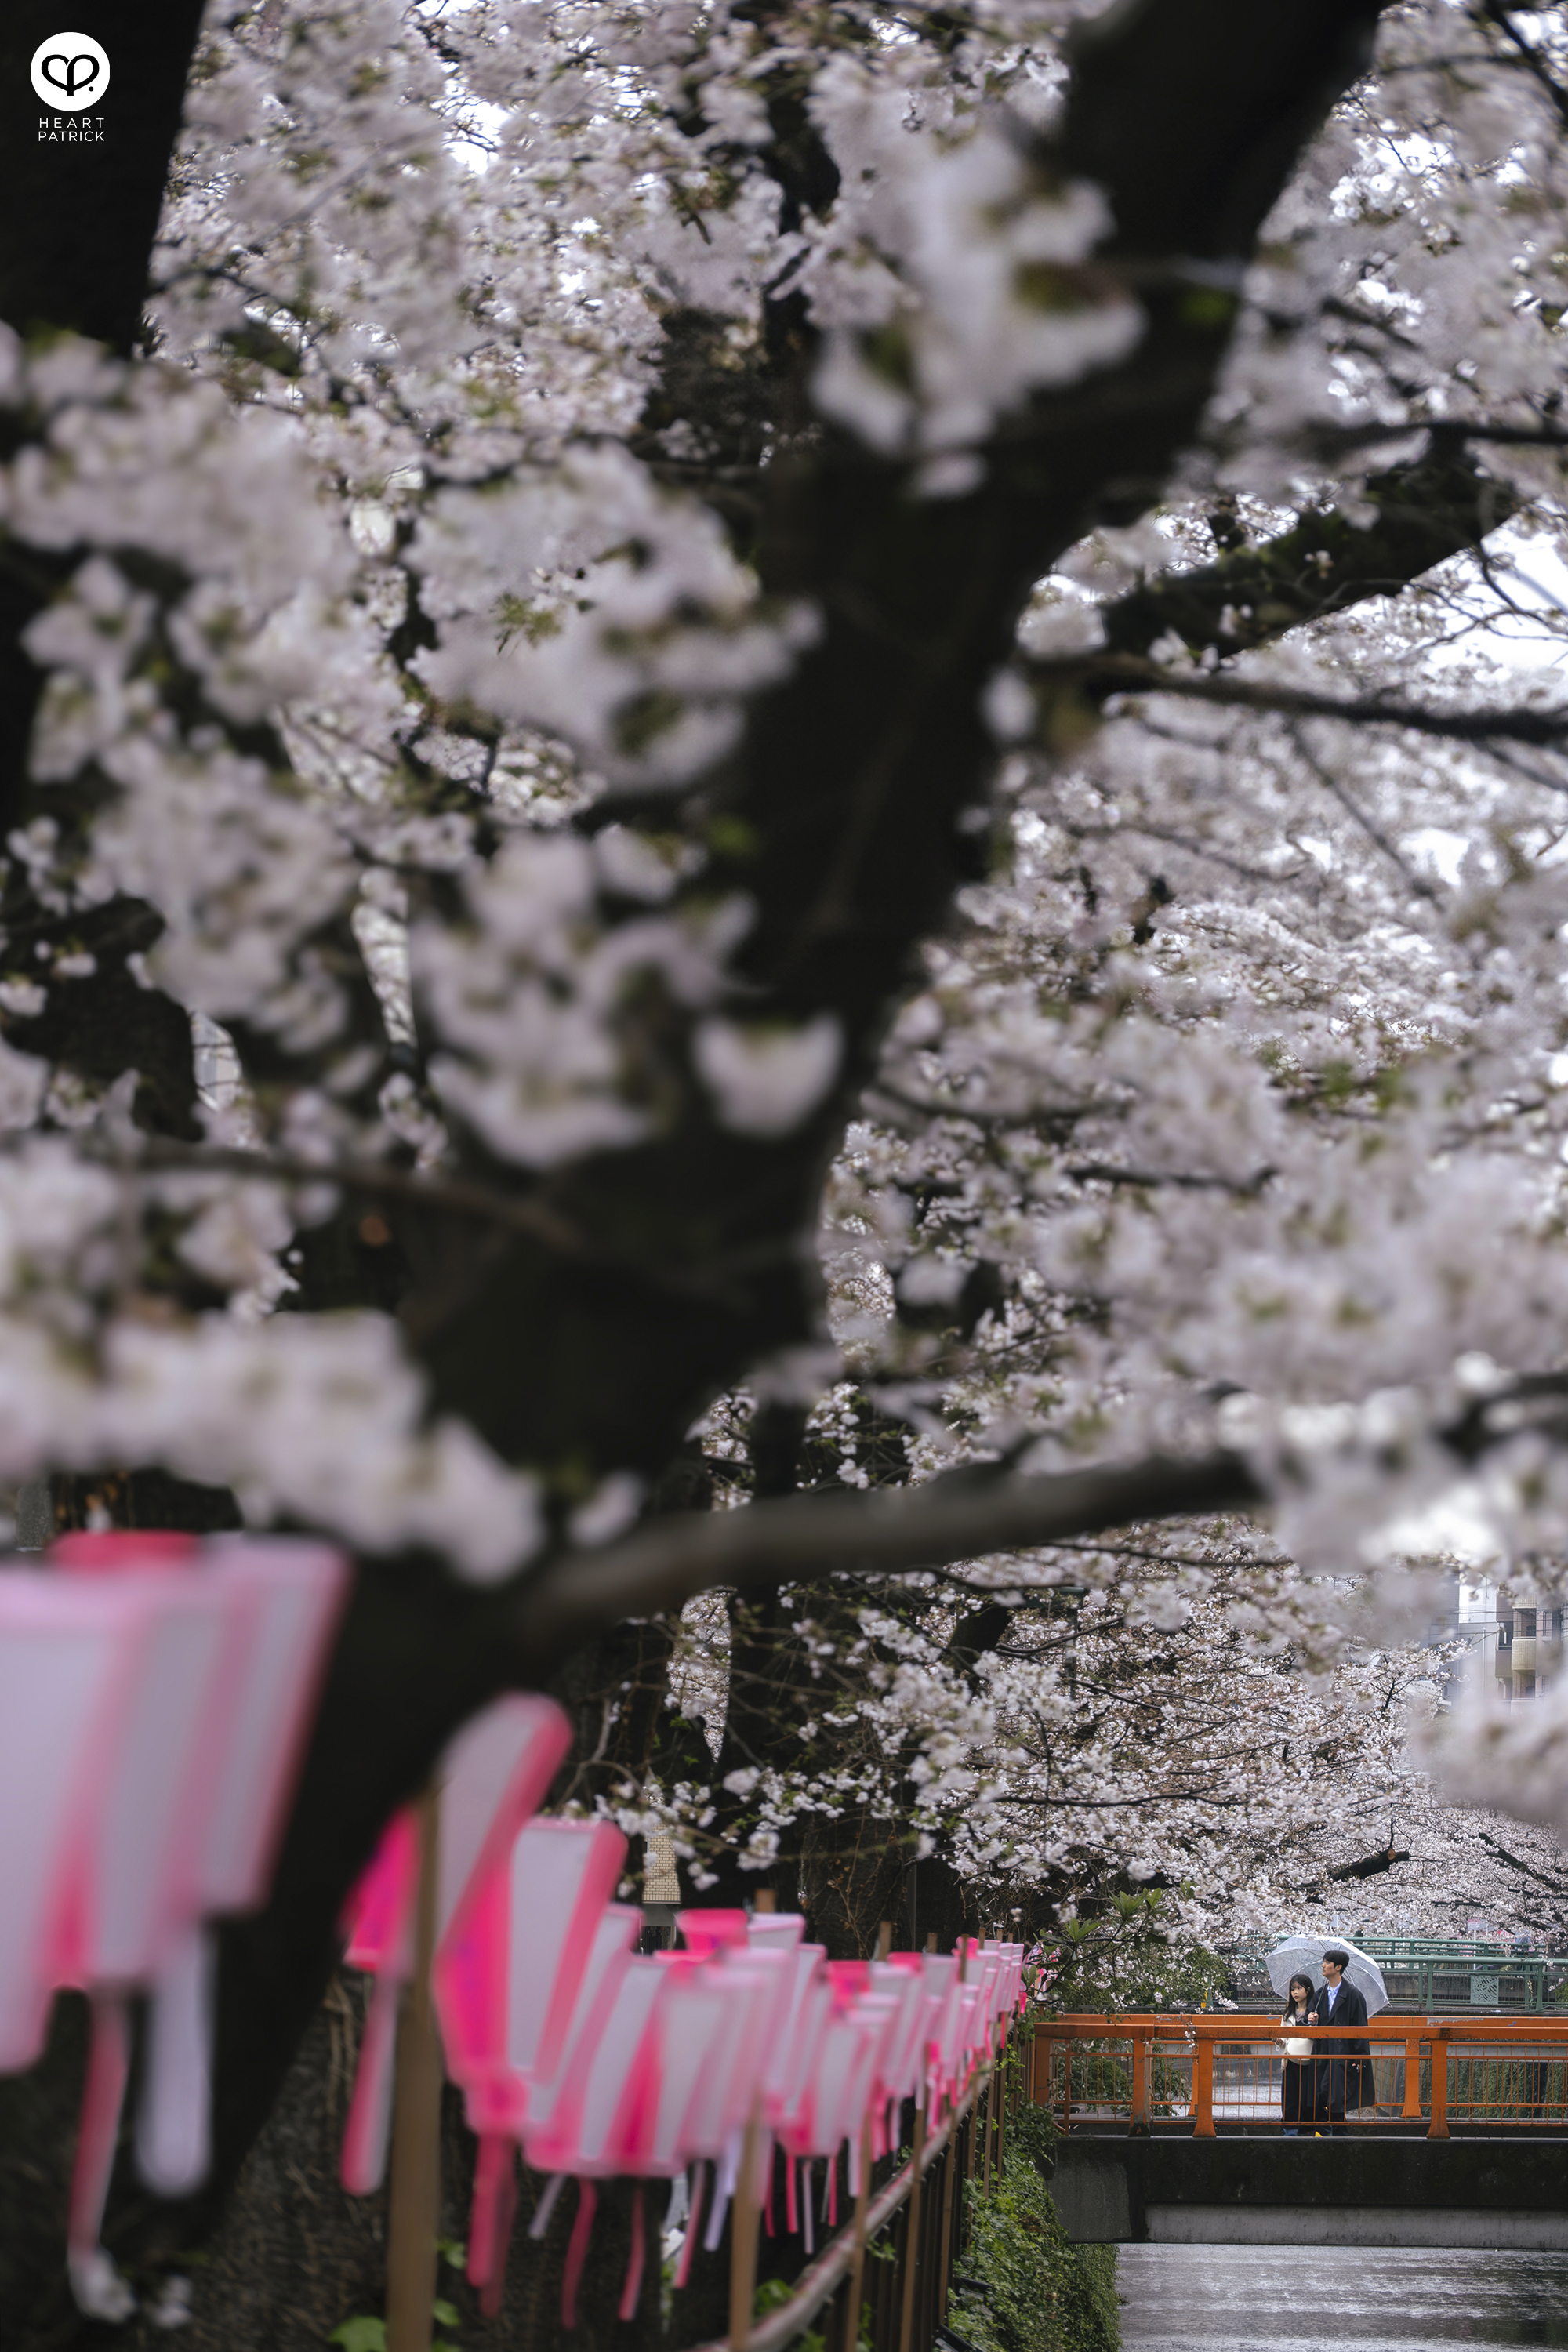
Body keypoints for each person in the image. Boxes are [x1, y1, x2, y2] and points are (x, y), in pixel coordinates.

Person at [1311, 1948, 1371, 2134]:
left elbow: (1361, 2027)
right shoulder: (1320, 1993)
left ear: (1338, 1967)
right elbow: (1310, 2021)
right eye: (1324, 1961)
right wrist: (1312, 2020)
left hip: (1342, 2053)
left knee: (1330, 2091)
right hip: (1322, 2051)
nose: (1323, 1965)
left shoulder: (1353, 1994)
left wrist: (1360, 2058)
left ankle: (1337, 2134)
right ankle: (1338, 2134)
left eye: (1327, 1962)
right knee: (1321, 2093)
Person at [1277, 1973, 1317, 2134]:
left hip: (1310, 2061)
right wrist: (1278, 2041)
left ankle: (1308, 2130)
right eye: (1293, 1989)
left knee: (1308, 2098)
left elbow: (1319, 2037)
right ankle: (1289, 2130)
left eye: (1299, 1988)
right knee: (1290, 2097)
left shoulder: (1315, 2012)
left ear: (1308, 1990)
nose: (1295, 1992)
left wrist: (1314, 2023)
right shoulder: (1288, 2013)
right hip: (1291, 2060)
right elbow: (1284, 2039)